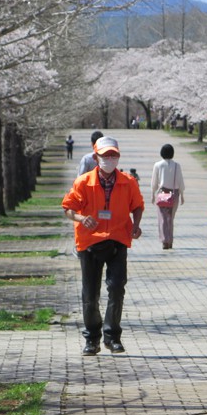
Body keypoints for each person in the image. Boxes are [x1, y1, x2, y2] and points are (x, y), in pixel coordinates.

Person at [62, 136, 144, 356]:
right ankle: (92, 339)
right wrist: (81, 219)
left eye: (113, 155)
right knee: (90, 295)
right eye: (105, 155)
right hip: (90, 243)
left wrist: (136, 225)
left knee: (117, 288)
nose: (110, 159)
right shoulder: (83, 182)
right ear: (96, 156)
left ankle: (113, 336)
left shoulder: (128, 182)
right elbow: (68, 208)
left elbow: (137, 205)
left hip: (118, 239)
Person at [150, 143, 185, 250]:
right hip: (174, 194)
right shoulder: (177, 165)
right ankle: (170, 240)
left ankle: (165, 241)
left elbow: (154, 182)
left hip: (162, 194)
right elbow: (180, 181)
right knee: (171, 218)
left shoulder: (158, 165)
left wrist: (152, 194)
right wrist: (182, 195)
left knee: (163, 219)